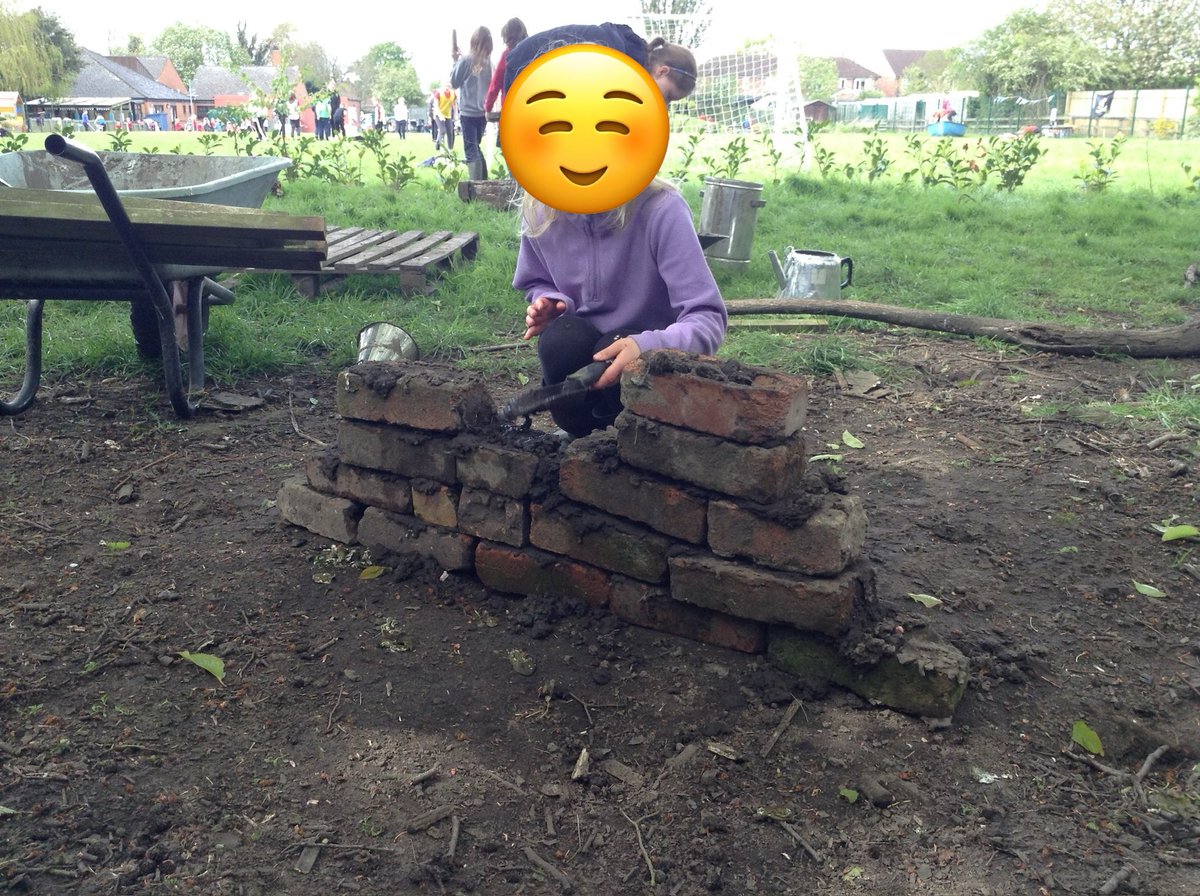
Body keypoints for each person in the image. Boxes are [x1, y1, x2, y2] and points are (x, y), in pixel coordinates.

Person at [513, 178, 726, 438]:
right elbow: (537, 280)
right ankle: (579, 436)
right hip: (583, 358)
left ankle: (632, 443)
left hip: (653, 380)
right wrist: (550, 302)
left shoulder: (662, 209)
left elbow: (707, 318)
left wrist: (647, 346)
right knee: (562, 338)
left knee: (614, 343)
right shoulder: (542, 210)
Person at [503, 23, 698, 105]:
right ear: (662, 71)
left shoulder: (630, 61)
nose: (664, 103)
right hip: (525, 66)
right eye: (669, 96)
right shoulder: (617, 57)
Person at [451, 26, 493, 180]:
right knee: (475, 147)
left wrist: (455, 60)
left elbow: (455, 82)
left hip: (468, 112)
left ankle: (476, 187)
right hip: (482, 113)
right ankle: (484, 182)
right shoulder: (489, 63)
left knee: (471, 149)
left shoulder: (467, 60)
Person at [485, 17, 528, 123]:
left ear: (507, 38)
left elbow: (496, 83)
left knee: (504, 139)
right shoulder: (534, 52)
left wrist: (488, 107)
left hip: (510, 110)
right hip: (531, 109)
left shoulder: (507, 55)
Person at [436, 85, 457, 151]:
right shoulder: (438, 93)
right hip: (438, 114)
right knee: (442, 130)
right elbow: (436, 106)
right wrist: (440, 115)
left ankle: (450, 149)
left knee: (450, 132)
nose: (447, 88)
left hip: (448, 115)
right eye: (446, 86)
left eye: (449, 86)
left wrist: (456, 114)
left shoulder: (453, 94)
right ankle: (439, 145)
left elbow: (454, 104)